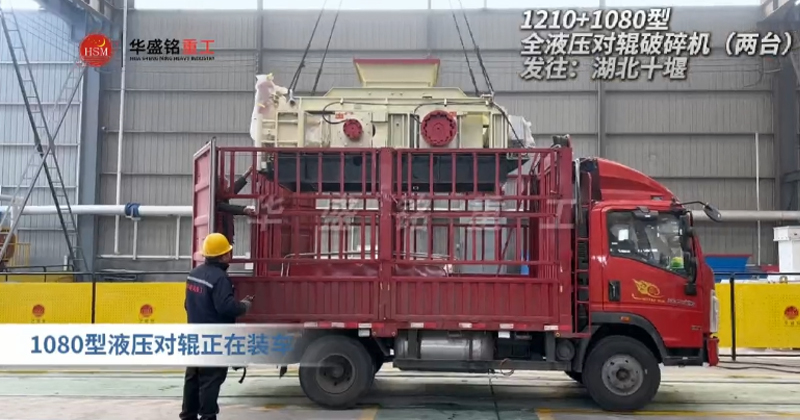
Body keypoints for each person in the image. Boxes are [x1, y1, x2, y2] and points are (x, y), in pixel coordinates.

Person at [180, 233, 253, 420]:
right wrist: (244, 305)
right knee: (211, 380)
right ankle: (208, 416)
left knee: (193, 378)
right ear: (223, 256)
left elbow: (187, 305)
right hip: (214, 339)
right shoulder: (220, 278)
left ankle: (188, 415)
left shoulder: (194, 274)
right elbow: (226, 307)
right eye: (228, 252)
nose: (230, 254)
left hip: (194, 336)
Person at [216, 166, 256, 245]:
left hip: (225, 238)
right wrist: (243, 210)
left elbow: (233, 190)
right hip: (221, 239)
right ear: (219, 187)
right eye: (225, 186)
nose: (227, 188)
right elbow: (227, 208)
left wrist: (247, 173)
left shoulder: (221, 196)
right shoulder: (216, 201)